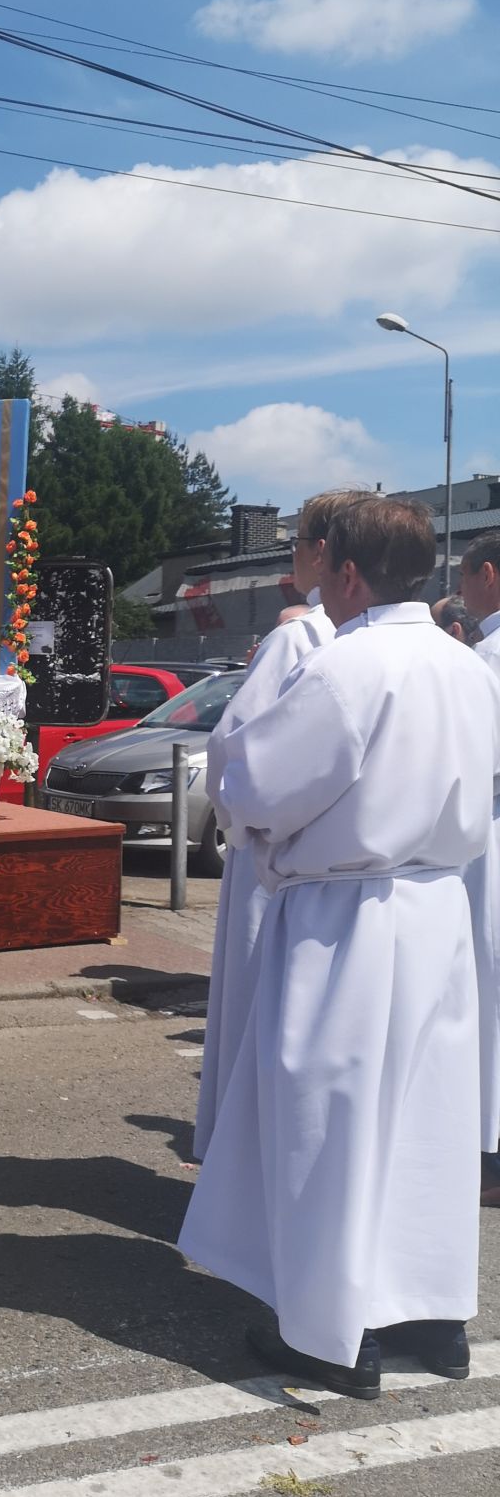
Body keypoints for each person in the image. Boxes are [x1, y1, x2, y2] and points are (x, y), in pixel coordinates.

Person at [179, 495, 500, 1398]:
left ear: (348, 573)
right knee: (426, 1120)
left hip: (347, 915)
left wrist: (238, 796)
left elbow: (257, 784)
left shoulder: (348, 665)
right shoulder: (467, 664)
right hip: (438, 909)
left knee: (328, 1120)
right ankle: (432, 1320)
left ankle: (330, 1334)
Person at [193, 489, 365, 1160]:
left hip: (277, 857)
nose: (290, 558)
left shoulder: (299, 636)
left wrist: (236, 822)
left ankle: (244, 1155)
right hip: (367, 873)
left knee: (257, 1007)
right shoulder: (412, 645)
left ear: (322, 553)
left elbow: (234, 752)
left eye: (295, 544)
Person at [457, 531, 500, 1209]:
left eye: (464, 577)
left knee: (485, 984)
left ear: (487, 575)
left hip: (489, 825)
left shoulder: (485, 660)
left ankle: (488, 1155)